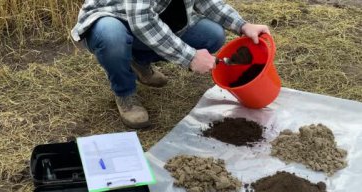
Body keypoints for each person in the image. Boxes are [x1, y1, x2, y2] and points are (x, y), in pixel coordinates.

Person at [71, 0, 270, 129]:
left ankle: (138, 61)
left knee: (213, 35)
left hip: (152, 19)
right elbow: (142, 22)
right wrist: (190, 57)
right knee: (112, 38)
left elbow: (207, 3)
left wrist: (243, 25)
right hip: (110, 19)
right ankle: (125, 94)